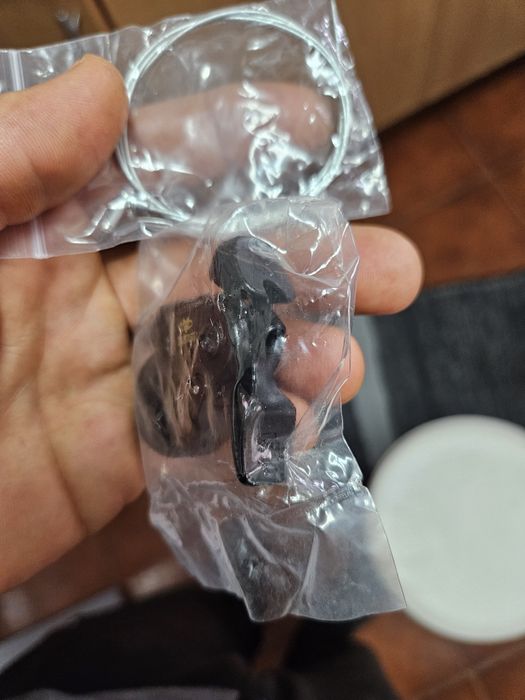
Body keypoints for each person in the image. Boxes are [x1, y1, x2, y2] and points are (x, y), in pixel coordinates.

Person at [0, 55, 423, 699]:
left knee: (202, 632)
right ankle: (276, 637)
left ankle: (268, 633)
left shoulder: (236, 347)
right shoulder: (225, 346)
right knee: (313, 664)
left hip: (83, 671)